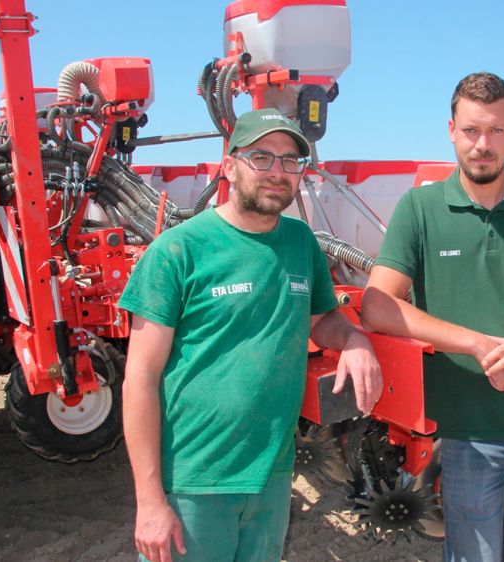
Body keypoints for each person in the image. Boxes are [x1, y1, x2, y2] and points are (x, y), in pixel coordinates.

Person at [119, 108, 383, 562]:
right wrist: (149, 501)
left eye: (290, 161)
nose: (277, 172)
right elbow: (139, 378)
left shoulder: (301, 243)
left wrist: (355, 339)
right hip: (194, 480)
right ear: (229, 165)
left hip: (271, 477)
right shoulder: (179, 251)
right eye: (261, 157)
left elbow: (323, 319)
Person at [361, 72, 504, 561]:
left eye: (495, 131)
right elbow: (378, 304)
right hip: (470, 433)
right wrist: (477, 343)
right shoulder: (421, 209)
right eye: (470, 131)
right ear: (451, 130)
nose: (482, 145)